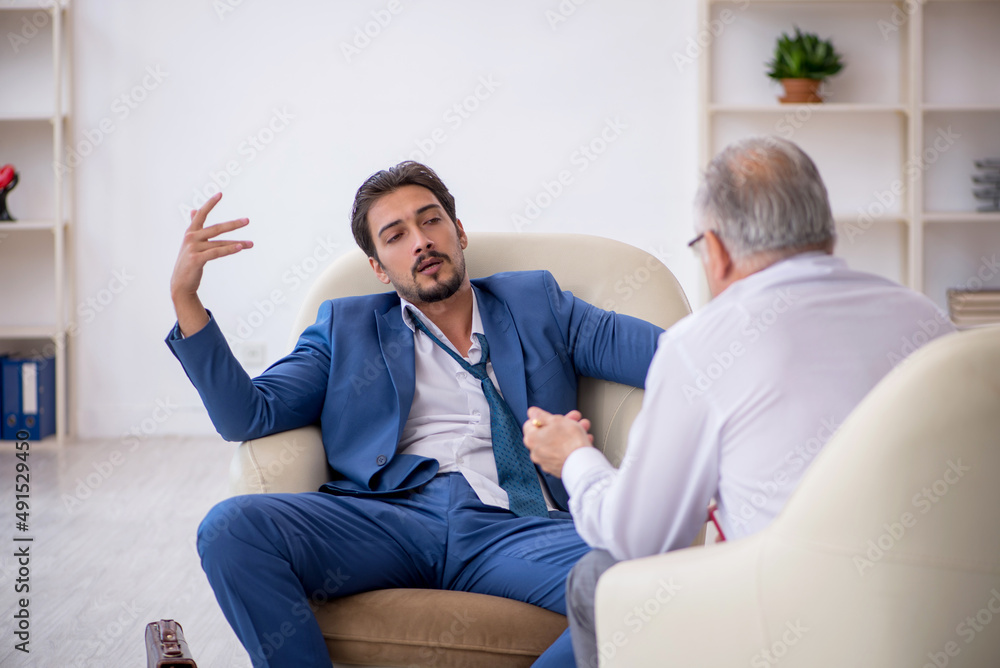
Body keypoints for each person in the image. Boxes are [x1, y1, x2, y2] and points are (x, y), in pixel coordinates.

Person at [165, 161, 664, 667]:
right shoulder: (346, 327)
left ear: (459, 232)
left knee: (637, 583)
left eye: (430, 221)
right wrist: (186, 299)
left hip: (516, 527)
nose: (420, 241)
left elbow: (673, 361)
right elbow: (249, 415)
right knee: (231, 527)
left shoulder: (538, 303)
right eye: (396, 235)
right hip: (390, 518)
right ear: (379, 268)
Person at [521, 136, 957, 667]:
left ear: (717, 249)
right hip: (935, 612)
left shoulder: (704, 343)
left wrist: (574, 459)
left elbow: (641, 540)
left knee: (598, 578)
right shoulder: (925, 319)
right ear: (827, 231)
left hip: (799, 626)